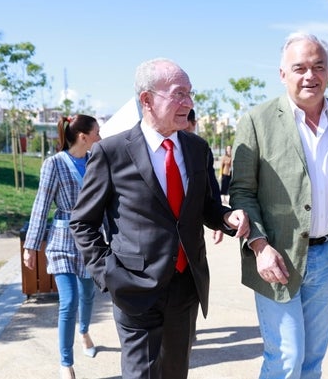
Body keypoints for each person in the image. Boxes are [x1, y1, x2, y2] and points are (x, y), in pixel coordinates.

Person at [69, 58, 250, 379]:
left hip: (185, 286)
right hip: (134, 286)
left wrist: (228, 218)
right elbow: (83, 223)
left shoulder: (197, 148)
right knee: (142, 374)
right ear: (147, 100)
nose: (189, 103)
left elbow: (207, 206)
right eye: (179, 94)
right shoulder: (112, 152)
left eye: (190, 95)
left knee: (175, 372)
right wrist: (109, 274)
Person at [229, 32, 328, 379]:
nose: (310, 76)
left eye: (318, 67)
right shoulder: (256, 121)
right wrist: (259, 246)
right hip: (276, 258)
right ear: (282, 73)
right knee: (286, 358)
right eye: (299, 67)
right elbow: (241, 192)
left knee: (313, 360)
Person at [23, 114, 101, 379]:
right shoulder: (53, 164)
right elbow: (41, 204)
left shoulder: (96, 161)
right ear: (83, 136)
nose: (99, 138)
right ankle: (65, 363)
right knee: (69, 300)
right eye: (97, 133)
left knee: (88, 294)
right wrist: (31, 246)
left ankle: (84, 331)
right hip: (62, 240)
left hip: (90, 240)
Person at [186, 108, 224, 244]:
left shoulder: (201, 149)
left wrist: (220, 219)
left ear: (193, 124)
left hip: (191, 231)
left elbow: (211, 184)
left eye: (185, 129)